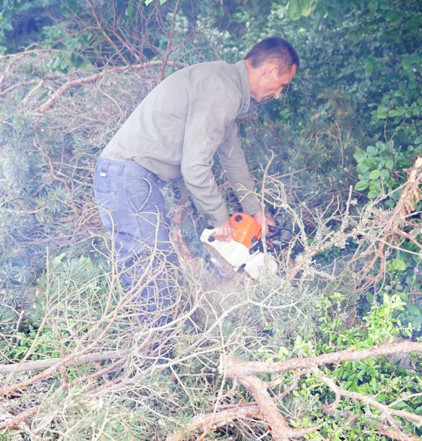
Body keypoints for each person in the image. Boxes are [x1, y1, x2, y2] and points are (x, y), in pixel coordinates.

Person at [93, 37, 299, 328]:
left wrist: (255, 212)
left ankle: (152, 355)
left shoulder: (225, 85)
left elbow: (233, 159)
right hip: (129, 177)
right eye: (281, 85)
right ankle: (153, 364)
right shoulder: (223, 92)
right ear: (268, 71)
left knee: (155, 273)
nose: (278, 94)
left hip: (132, 177)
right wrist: (219, 220)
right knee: (153, 273)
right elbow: (194, 166)